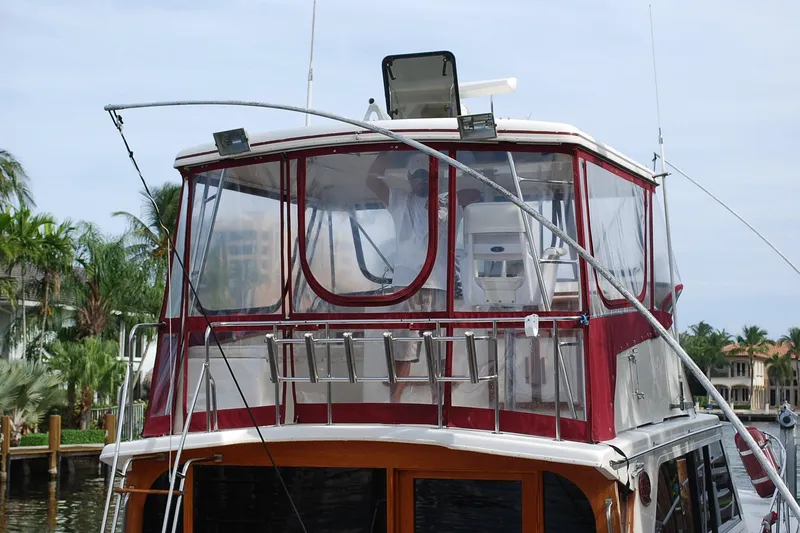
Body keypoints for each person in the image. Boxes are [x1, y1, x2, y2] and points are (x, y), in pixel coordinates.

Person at [366, 151, 480, 402]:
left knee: (439, 352)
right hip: (405, 288)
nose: (421, 181)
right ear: (408, 178)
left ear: (434, 178)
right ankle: (394, 405)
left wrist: (447, 199)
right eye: (416, 176)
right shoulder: (399, 201)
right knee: (402, 352)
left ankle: (439, 404)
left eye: (426, 176)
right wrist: (388, 149)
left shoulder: (447, 201)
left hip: (439, 287)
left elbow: (477, 192)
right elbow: (372, 182)